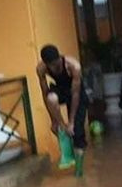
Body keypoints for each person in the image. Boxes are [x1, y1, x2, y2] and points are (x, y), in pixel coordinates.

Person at [37, 45, 88, 176]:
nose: (55, 67)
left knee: (77, 130)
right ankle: (62, 126)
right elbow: (45, 94)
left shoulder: (73, 66)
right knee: (51, 98)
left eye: (57, 63)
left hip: (77, 94)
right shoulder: (41, 69)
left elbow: (75, 94)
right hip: (60, 88)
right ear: (46, 64)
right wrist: (54, 121)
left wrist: (71, 122)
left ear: (60, 57)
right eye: (52, 66)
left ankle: (79, 171)